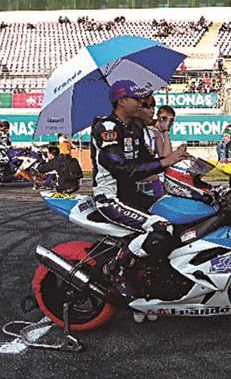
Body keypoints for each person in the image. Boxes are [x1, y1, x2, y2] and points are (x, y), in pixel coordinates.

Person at [91, 80, 189, 298]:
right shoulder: (108, 128)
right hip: (110, 198)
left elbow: (150, 162)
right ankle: (116, 270)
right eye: (136, 99)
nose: (141, 103)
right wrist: (165, 162)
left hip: (132, 196)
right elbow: (122, 169)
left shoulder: (132, 129)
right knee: (160, 228)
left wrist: (178, 164)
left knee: (176, 220)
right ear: (122, 101)